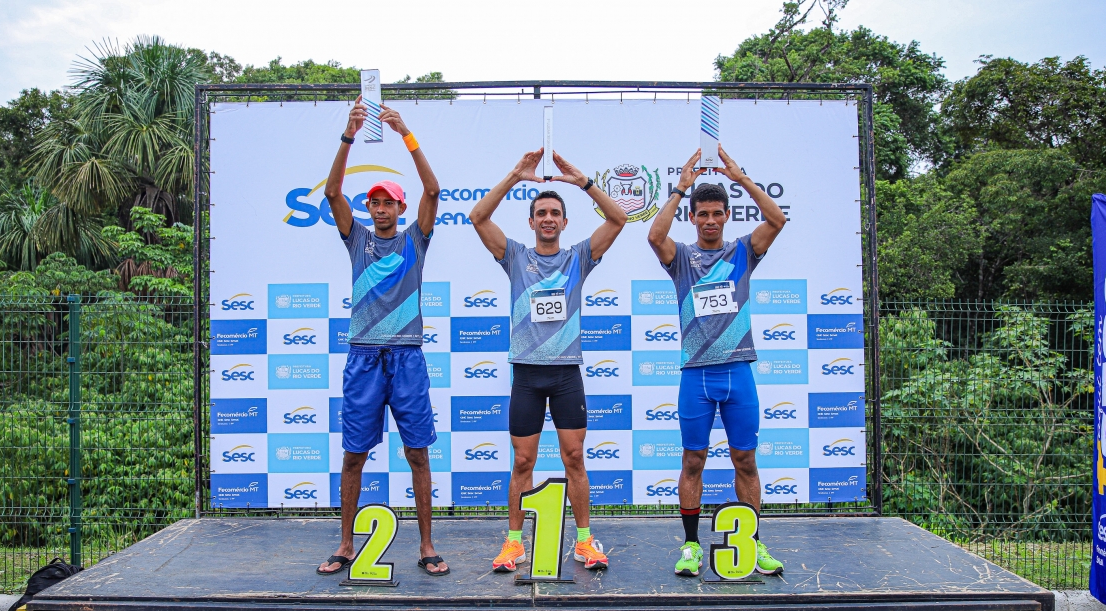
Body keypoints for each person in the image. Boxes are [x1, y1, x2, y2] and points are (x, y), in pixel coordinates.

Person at [468, 149, 628, 573]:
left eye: (555, 213)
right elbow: (478, 218)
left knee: (574, 458)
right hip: (526, 375)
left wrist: (583, 182)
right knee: (523, 462)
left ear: (564, 222)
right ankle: (513, 543)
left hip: (566, 375)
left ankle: (584, 541)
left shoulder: (578, 258)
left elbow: (618, 220)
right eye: (541, 213)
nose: (548, 218)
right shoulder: (516, 257)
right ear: (531, 221)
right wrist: (515, 175)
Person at [316, 97, 448, 577]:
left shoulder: (415, 239)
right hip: (364, 357)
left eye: (389, 201)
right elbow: (332, 192)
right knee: (354, 455)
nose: (381, 207)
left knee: (418, 454)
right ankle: (346, 544)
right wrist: (349, 135)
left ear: (401, 207)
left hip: (407, 357)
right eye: (374, 201)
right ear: (368, 207)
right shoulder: (358, 239)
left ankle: (427, 546)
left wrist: (406, 134)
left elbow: (433, 189)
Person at [646, 146, 788, 578]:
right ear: (692, 217)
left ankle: (753, 543)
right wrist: (679, 188)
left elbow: (777, 221)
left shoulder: (742, 251)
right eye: (702, 214)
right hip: (697, 376)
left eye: (716, 213)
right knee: (693, 461)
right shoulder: (682, 259)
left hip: (738, 371)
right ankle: (691, 545)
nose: (709, 220)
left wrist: (741, 178)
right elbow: (654, 237)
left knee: (746, 461)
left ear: (727, 215)